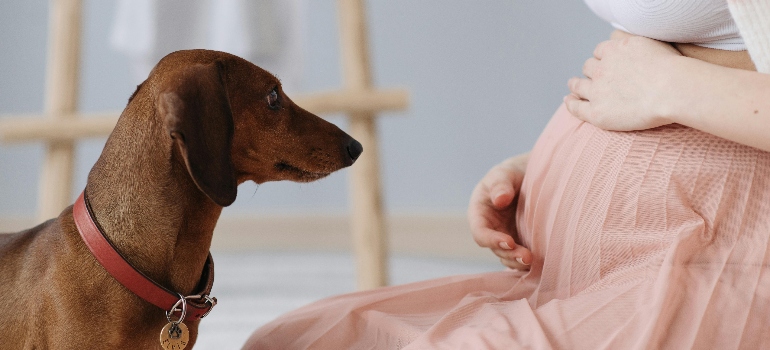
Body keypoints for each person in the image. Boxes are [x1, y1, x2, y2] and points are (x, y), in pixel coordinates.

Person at [244, 1, 770, 348]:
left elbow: (673, 78)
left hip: (721, 263)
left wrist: (670, 90)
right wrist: (541, 166)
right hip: (574, 273)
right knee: (286, 342)